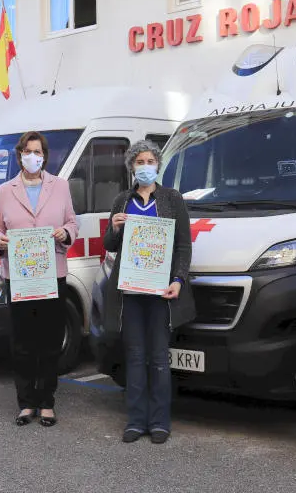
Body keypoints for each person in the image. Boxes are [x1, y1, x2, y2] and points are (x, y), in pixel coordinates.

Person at [102, 139, 196, 445]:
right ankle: (135, 420)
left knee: (158, 358)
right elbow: (110, 245)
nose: (145, 167)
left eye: (150, 161)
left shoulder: (172, 198)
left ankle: (159, 422)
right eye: (139, 162)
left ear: (158, 165)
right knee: (134, 356)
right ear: (131, 167)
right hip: (130, 292)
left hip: (160, 292)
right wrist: (114, 228)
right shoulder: (122, 200)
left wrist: (178, 279)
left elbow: (183, 245)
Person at [0, 131, 78, 427]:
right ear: (19, 155)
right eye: (27, 151)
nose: (32, 156)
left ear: (45, 156)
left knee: (50, 340)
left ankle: (47, 401)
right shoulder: (5, 190)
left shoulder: (60, 186)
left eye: (37, 152)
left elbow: (72, 222)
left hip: (52, 274)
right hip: (20, 276)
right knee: (23, 341)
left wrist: (66, 233)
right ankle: (26, 402)